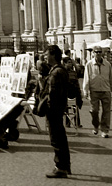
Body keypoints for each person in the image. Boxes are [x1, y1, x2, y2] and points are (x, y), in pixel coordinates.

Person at [43, 45, 71, 179]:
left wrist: (48, 107)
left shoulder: (56, 72)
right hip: (59, 109)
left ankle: (61, 167)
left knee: (56, 139)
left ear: (53, 55)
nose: (44, 56)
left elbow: (53, 93)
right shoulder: (60, 70)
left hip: (54, 110)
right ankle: (65, 165)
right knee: (61, 138)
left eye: (46, 54)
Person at [82, 46, 112, 138]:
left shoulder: (107, 64)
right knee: (94, 111)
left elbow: (111, 78)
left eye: (100, 52)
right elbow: (86, 78)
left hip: (106, 90)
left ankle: (105, 130)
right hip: (94, 90)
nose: (98, 53)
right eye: (96, 52)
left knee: (106, 111)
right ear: (93, 53)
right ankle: (96, 126)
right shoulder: (89, 64)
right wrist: (85, 90)